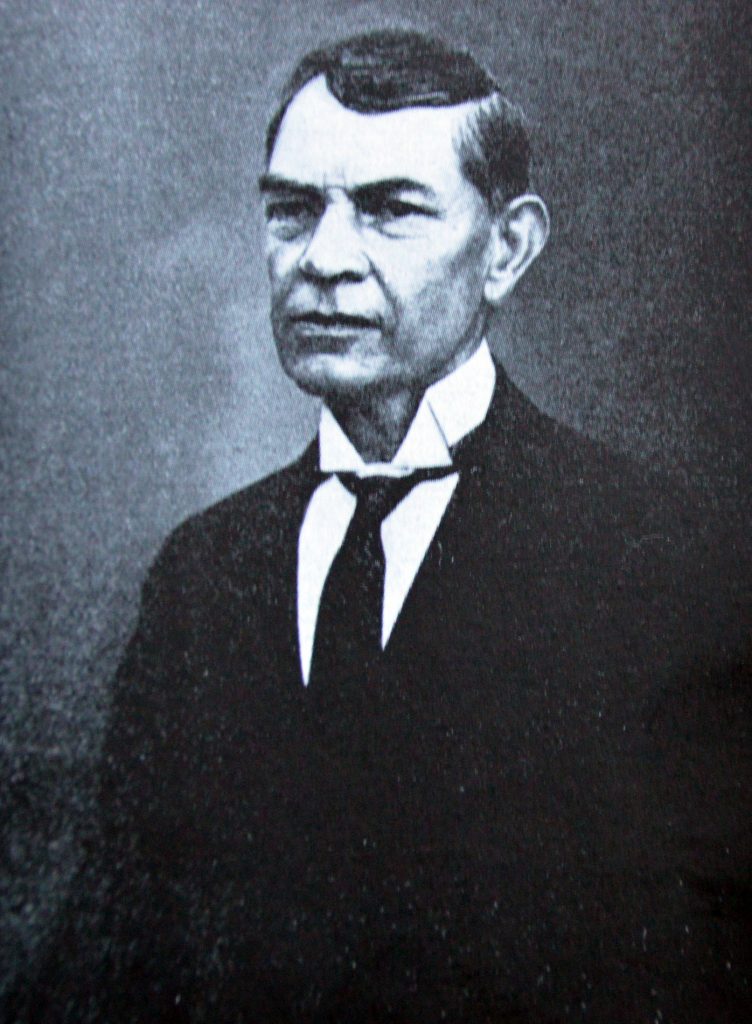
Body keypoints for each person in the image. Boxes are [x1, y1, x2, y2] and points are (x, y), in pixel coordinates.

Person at [22, 29, 750, 1024]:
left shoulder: (659, 564)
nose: (322, 260)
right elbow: (103, 966)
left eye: (389, 210)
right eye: (292, 210)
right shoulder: (200, 573)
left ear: (506, 248)